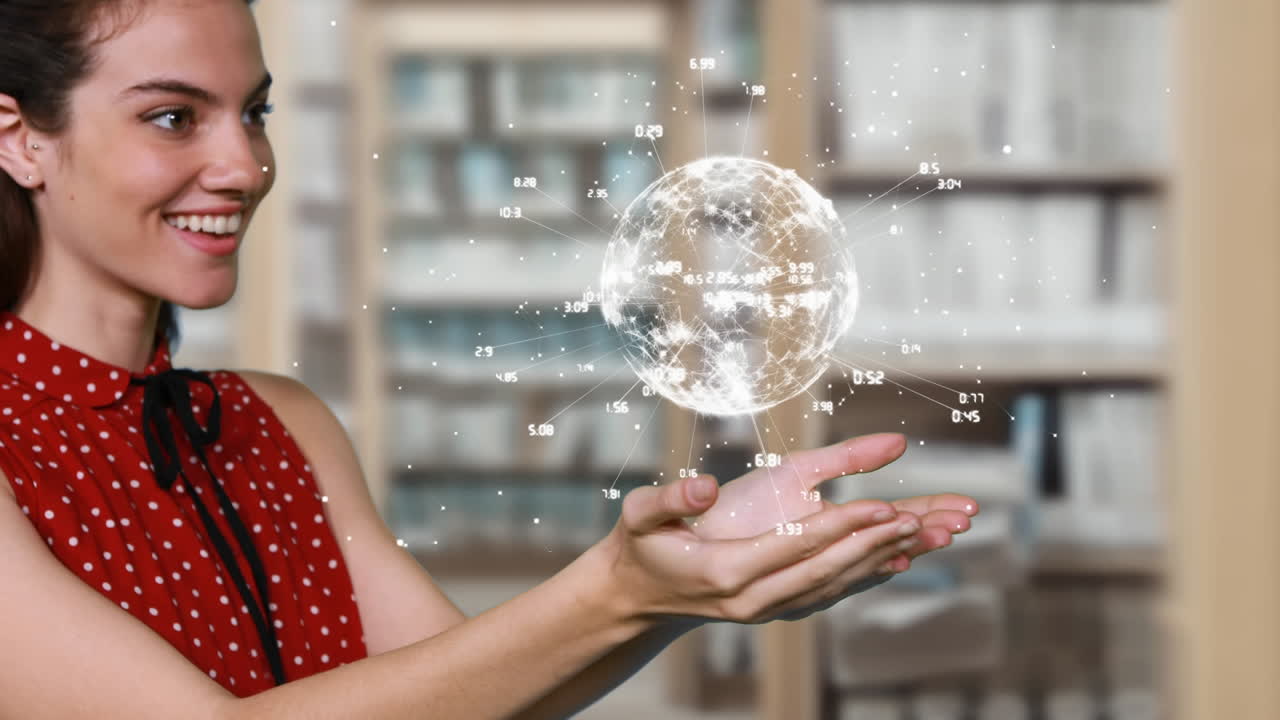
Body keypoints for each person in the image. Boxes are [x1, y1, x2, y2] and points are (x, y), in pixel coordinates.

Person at [0, 0, 981, 717]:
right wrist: (617, 590)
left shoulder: (276, 422)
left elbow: (469, 691)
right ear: (19, 140)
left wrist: (684, 586)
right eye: (174, 117)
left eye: (252, 113)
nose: (244, 166)